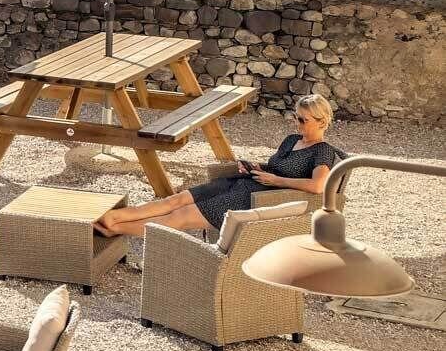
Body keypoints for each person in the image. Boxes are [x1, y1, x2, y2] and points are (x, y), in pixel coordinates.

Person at [95, 93, 341, 243]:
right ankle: (113, 216)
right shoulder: (291, 140)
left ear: (321, 121)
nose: (296, 123)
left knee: (180, 217)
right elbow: (279, 167)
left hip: (254, 198)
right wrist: (257, 167)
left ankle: (116, 228)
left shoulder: (323, 151)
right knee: (177, 199)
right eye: (296, 117)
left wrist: (275, 181)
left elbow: (318, 186)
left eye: (302, 120)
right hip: (241, 183)